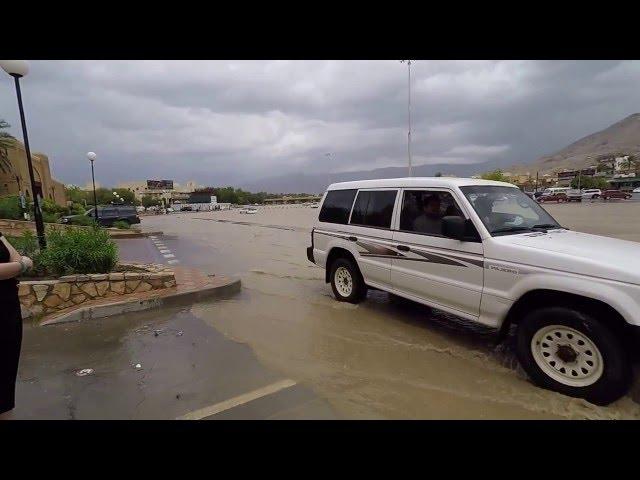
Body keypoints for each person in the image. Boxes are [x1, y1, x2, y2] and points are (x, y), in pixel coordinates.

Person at [0, 232, 33, 419]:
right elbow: (22, 263)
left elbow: (15, 256)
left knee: (5, 380)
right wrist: (21, 265)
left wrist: (17, 265)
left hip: (6, 314)